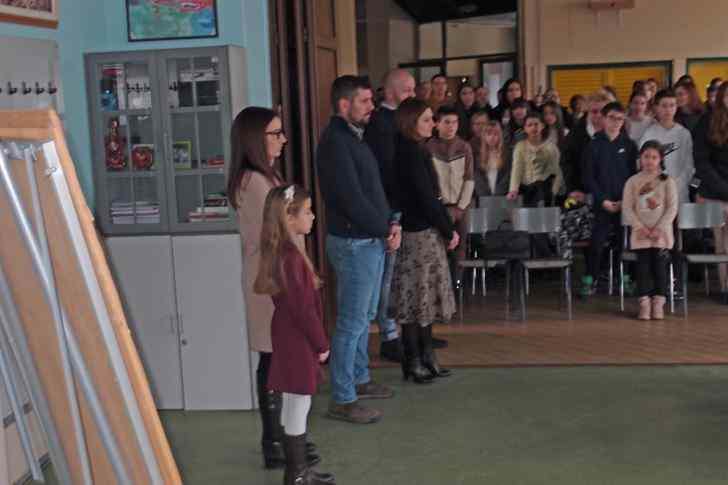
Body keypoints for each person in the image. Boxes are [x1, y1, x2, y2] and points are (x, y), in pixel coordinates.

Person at [228, 107, 320, 470]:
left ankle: (287, 437)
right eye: (275, 133)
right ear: (255, 138)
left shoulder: (266, 176)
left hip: (276, 275)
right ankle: (276, 441)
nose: (283, 139)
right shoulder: (253, 182)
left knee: (279, 357)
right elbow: (281, 232)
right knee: (272, 358)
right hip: (269, 280)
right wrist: (303, 272)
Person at [317, 75, 400, 424]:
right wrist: (384, 228)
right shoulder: (335, 143)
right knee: (351, 322)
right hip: (354, 243)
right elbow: (351, 199)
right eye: (364, 101)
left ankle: (360, 379)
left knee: (363, 318)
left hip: (369, 240)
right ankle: (342, 397)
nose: (371, 107)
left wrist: (389, 223)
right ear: (343, 105)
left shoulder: (353, 138)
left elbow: (371, 191)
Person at [255, 185, 336, 485]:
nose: (313, 216)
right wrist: (321, 343)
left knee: (293, 400)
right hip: (297, 337)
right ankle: (297, 474)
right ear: (289, 218)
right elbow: (303, 310)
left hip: (288, 334)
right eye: (307, 211)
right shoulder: (291, 257)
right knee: (299, 403)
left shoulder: (284, 252)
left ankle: (297, 471)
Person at [391, 98, 458, 383]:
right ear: (411, 122)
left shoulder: (416, 148)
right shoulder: (408, 151)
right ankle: (414, 359)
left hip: (424, 231)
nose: (433, 123)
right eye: (427, 119)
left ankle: (427, 356)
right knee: (415, 300)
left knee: (425, 299)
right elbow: (426, 198)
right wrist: (448, 230)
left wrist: (444, 227)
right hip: (417, 233)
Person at [364, 69, 415, 363]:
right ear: (392, 91)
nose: (412, 95)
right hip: (388, 207)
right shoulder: (382, 124)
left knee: (398, 274)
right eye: (407, 90)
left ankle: (405, 330)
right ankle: (389, 334)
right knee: (387, 276)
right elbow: (388, 170)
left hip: (398, 206)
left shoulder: (397, 121)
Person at [580, 102, 638, 297]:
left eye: (620, 119)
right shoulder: (593, 145)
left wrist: (623, 201)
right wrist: (603, 200)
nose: (616, 122)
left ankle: (626, 279)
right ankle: (590, 280)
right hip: (601, 204)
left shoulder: (629, 145)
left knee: (625, 244)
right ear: (603, 119)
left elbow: (634, 177)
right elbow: (588, 177)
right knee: (596, 244)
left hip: (624, 204)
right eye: (612, 118)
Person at [622, 142, 678, 320]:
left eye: (654, 157)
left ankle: (658, 303)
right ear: (640, 158)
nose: (649, 161)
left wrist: (659, 228)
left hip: (661, 234)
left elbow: (672, 208)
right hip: (641, 235)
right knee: (643, 270)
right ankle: (644, 304)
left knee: (660, 269)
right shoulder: (632, 181)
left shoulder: (667, 181)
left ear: (660, 159)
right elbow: (627, 208)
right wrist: (640, 227)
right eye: (646, 156)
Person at [426, 104, 475, 287]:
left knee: (460, 247)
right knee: (440, 246)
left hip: (462, 205)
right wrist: (439, 205)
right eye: (447, 122)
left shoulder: (464, 146)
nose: (451, 126)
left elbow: (469, 179)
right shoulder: (429, 147)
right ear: (437, 124)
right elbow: (429, 181)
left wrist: (461, 207)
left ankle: (457, 285)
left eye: (455, 122)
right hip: (440, 206)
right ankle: (440, 285)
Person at [694, 81, 728, 298]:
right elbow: (701, 161)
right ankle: (725, 287)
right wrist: (723, 189)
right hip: (714, 192)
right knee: (721, 243)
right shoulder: (706, 121)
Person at [640, 89, 694, 206]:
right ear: (656, 107)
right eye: (664, 106)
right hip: (655, 194)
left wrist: (675, 184)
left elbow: (689, 166)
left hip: (680, 193)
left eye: (672, 105)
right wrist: (657, 184)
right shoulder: (649, 133)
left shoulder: (684, 134)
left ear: (676, 107)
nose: (668, 110)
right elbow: (643, 163)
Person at [562, 91, 610, 202]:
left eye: (603, 112)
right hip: (582, 193)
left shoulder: (617, 130)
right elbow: (567, 163)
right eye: (594, 111)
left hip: (610, 192)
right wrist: (573, 188)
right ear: (588, 111)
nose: (599, 115)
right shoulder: (575, 134)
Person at [507, 111, 563, 207]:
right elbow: (517, 169)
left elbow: (556, 171)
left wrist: (554, 192)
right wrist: (513, 190)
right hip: (526, 190)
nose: (533, 127)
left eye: (536, 124)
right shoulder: (520, 146)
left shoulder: (551, 147)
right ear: (525, 128)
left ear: (542, 126)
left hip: (546, 190)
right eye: (529, 125)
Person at [473, 120, 512, 198]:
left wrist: (498, 193)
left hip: (503, 195)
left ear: (500, 136)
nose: (492, 137)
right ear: (484, 136)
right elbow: (478, 178)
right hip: (484, 196)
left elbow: (508, 176)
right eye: (489, 134)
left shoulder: (507, 154)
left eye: (495, 134)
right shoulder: (478, 156)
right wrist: (485, 194)